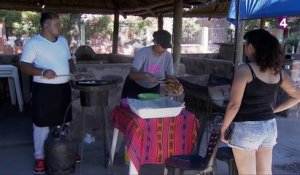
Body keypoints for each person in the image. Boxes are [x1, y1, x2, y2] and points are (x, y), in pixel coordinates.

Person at [220, 29, 300, 175]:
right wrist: (274, 110)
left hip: (246, 127)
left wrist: (223, 128)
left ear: (251, 47)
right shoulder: (278, 71)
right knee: (265, 172)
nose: (244, 48)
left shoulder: (244, 69)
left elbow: (234, 105)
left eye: (245, 45)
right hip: (269, 126)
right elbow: (297, 95)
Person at [20, 12, 77, 174]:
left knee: (64, 122)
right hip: (43, 90)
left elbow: (68, 60)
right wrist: (43, 71)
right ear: (45, 26)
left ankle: (64, 153)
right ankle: (40, 157)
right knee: (42, 124)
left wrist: (74, 71)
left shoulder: (63, 41)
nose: (60, 26)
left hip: (63, 87)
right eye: (56, 24)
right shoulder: (34, 43)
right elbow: (24, 66)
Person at [121, 30, 175, 99]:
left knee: (152, 108)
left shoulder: (168, 57)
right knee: (131, 108)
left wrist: (175, 84)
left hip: (153, 88)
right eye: (162, 46)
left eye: (166, 47)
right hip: (135, 87)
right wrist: (146, 75)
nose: (164, 49)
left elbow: (169, 76)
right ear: (155, 42)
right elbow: (132, 75)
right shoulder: (143, 53)